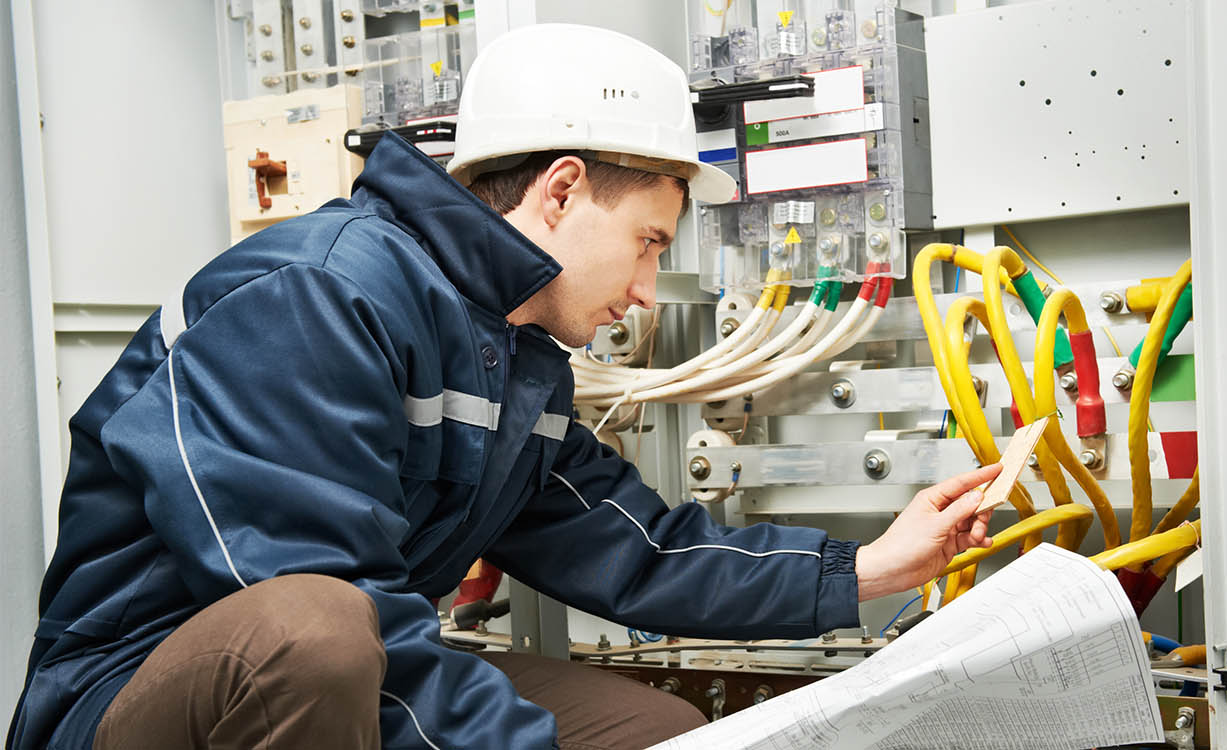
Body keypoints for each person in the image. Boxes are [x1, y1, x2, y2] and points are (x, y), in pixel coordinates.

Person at [7, 23, 999, 750]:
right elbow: (307, 596)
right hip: (141, 698)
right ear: (561, 190)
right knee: (311, 635)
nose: (649, 290)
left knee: (645, 729)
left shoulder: (513, 358)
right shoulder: (315, 296)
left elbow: (641, 552)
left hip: (342, 670)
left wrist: (871, 568)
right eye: (648, 242)